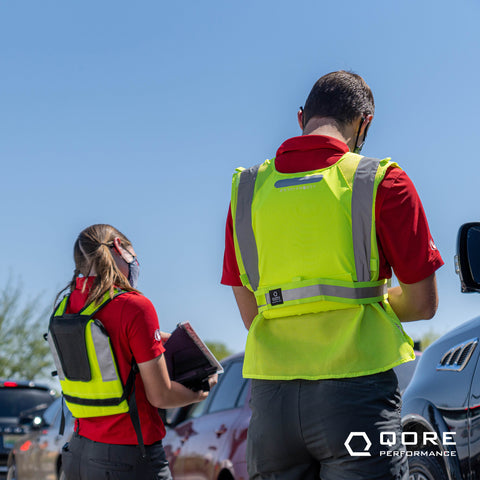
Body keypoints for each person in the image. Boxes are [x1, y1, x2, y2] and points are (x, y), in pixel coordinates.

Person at [221, 71, 444, 480]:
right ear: (364, 123)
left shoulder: (246, 191)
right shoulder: (383, 180)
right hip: (357, 394)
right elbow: (423, 304)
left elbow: (251, 315)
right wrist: (370, 298)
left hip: (271, 402)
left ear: (302, 117)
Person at [54, 224, 216, 480]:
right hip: (127, 458)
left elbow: (111, 347)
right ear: (119, 247)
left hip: (77, 455)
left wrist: (155, 338)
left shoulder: (66, 306)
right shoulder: (134, 306)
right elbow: (161, 395)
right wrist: (200, 392)